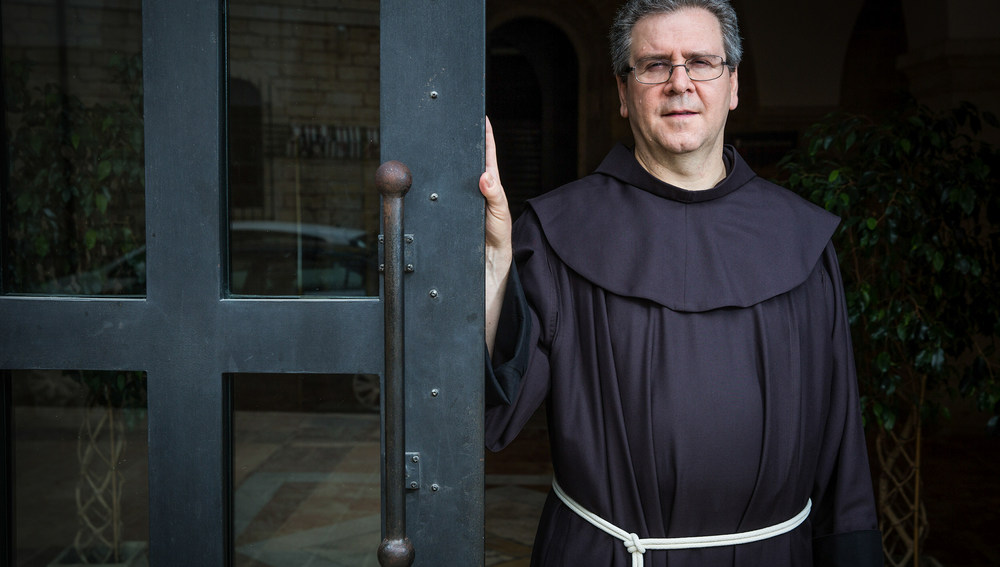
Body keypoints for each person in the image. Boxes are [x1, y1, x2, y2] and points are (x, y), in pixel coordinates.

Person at [478, 1, 883, 566]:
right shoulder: (556, 233)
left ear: (733, 85)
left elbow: (843, 452)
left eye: (700, 62)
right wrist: (497, 256)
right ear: (622, 93)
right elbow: (494, 408)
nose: (679, 83)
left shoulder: (801, 240)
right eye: (653, 65)